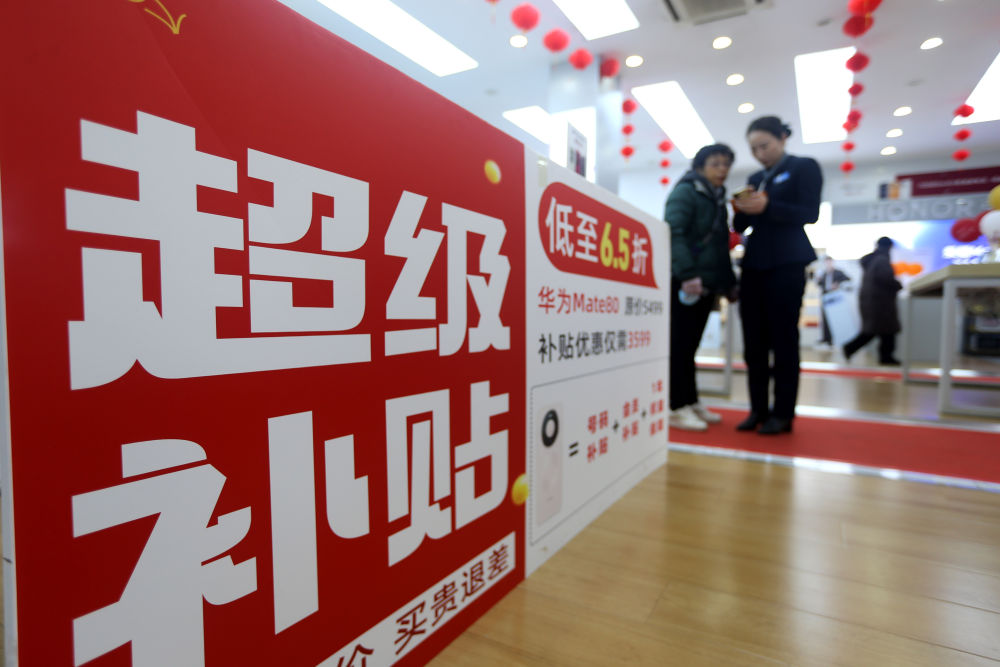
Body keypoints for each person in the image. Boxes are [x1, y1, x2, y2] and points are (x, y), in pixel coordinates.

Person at [731, 116, 822, 435]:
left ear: (782, 138)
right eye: (754, 149)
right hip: (754, 265)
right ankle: (758, 409)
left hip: (787, 263)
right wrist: (741, 209)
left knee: (783, 340)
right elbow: (741, 227)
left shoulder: (803, 167)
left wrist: (768, 206)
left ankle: (783, 413)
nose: (760, 154)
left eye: (764, 146)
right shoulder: (755, 178)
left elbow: (810, 213)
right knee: (753, 343)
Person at [665, 144, 737, 431]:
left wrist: (728, 283)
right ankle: (675, 405)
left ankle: (690, 400)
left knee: (690, 346)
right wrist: (687, 274)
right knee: (680, 345)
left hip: (706, 283)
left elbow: (720, 246)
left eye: (726, 164)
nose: (722, 169)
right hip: (686, 281)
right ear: (700, 166)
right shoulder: (687, 191)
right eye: (715, 163)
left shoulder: (716, 198)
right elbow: (674, 232)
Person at [842, 237, 903, 365]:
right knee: (883, 331)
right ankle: (884, 357)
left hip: (872, 301)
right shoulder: (881, 260)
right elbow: (886, 278)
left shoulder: (873, 260)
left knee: (877, 331)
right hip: (880, 303)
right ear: (889, 247)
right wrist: (898, 285)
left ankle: (852, 349)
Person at [815, 256, 851, 347]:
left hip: (834, 297)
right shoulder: (823, 273)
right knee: (825, 319)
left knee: (835, 318)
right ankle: (826, 338)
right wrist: (818, 280)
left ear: (832, 262)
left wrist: (837, 284)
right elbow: (820, 284)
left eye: (829, 262)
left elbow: (848, 279)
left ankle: (838, 338)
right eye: (826, 262)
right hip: (825, 297)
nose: (828, 264)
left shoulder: (838, 272)